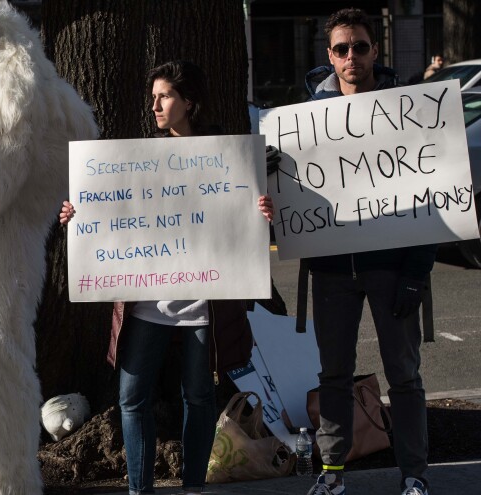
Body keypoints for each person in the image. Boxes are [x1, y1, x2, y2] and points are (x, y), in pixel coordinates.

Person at [60, 60, 275, 495]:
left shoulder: (225, 156)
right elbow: (112, 213)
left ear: (188, 101)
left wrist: (263, 215)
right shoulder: (139, 161)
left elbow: (243, 221)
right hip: (147, 304)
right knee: (130, 396)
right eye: (154, 96)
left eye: (165, 96)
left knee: (198, 396)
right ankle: (140, 489)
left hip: (201, 304)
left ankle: (192, 485)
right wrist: (77, 217)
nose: (155, 104)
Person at [300, 8, 437, 495]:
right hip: (333, 269)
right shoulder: (307, 117)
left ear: (375, 50)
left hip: (392, 267)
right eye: (341, 49)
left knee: (404, 375)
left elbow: (431, 195)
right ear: (330, 56)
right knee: (333, 375)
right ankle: (332, 474)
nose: (351, 56)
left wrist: (416, 274)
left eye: (359, 46)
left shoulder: (409, 109)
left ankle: (414, 475)